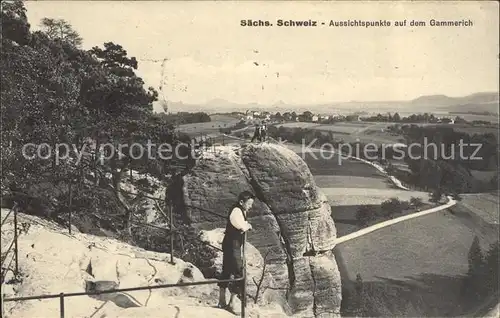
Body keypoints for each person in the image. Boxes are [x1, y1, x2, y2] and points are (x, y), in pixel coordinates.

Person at [217, 191, 255, 310]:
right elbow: (241, 226)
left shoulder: (240, 210)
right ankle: (232, 302)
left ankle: (222, 301)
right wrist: (248, 226)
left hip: (231, 244)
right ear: (241, 202)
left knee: (227, 270)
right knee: (239, 272)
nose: (251, 206)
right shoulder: (236, 211)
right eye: (249, 203)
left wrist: (246, 224)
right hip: (233, 245)